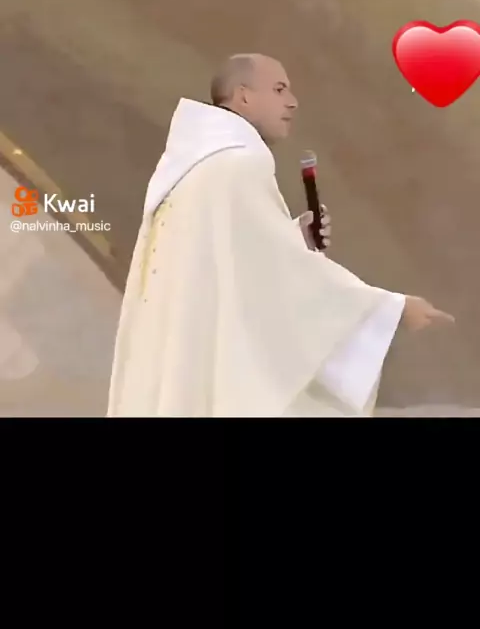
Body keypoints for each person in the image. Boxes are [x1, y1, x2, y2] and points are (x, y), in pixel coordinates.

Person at [107, 53, 454, 418]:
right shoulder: (242, 165)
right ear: (243, 96)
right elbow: (287, 284)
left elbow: (226, 267)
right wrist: (391, 310)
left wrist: (291, 239)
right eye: (278, 89)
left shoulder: (193, 168)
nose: (292, 102)